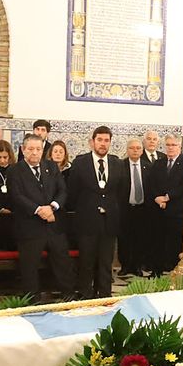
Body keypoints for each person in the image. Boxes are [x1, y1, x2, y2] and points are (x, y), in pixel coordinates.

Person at [8, 134, 76, 303]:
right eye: (30, 149)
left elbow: (62, 191)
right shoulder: (15, 170)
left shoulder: (51, 167)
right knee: (29, 265)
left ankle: (68, 293)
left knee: (62, 259)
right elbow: (17, 196)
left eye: (38, 149)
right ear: (23, 150)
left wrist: (52, 206)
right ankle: (33, 298)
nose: (34, 153)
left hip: (53, 222)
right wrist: (38, 210)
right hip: (30, 225)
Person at [66, 126, 129, 298]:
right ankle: (86, 296)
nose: (103, 144)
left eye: (106, 140)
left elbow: (122, 192)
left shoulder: (117, 163)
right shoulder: (80, 162)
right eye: (99, 140)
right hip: (87, 221)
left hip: (109, 222)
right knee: (86, 262)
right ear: (92, 141)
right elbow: (72, 193)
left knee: (105, 262)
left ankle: (105, 295)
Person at [119, 137, 159, 276]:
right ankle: (125, 266)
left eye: (138, 148)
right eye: (132, 148)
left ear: (142, 150)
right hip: (125, 208)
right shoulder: (120, 165)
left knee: (140, 238)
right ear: (127, 150)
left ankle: (137, 266)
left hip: (143, 208)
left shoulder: (148, 167)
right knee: (124, 238)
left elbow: (153, 187)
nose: (135, 151)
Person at [155, 134, 183, 274]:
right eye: (168, 145)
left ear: (179, 147)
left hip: (176, 210)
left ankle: (173, 267)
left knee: (174, 240)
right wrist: (157, 198)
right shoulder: (159, 163)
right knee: (160, 240)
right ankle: (159, 267)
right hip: (160, 210)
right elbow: (152, 183)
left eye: (173, 145)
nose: (170, 148)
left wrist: (168, 197)